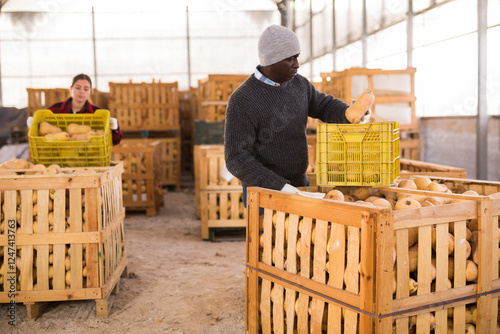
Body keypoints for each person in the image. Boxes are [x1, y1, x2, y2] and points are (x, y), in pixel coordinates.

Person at [223, 25, 370, 205]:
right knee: (265, 234)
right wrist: (280, 187)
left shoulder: (300, 85)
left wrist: (349, 113)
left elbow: (323, 106)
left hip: (301, 186)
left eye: (297, 57)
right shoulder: (243, 100)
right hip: (264, 195)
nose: (297, 65)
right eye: (290, 59)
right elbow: (236, 158)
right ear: (271, 60)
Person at [28, 73, 122, 145]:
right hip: (58, 156)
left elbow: (115, 141)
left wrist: (115, 128)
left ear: (90, 92)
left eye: (86, 89)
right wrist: (32, 126)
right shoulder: (55, 110)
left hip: (88, 158)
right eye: (78, 88)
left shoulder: (97, 112)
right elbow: (39, 135)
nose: (81, 92)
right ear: (71, 89)